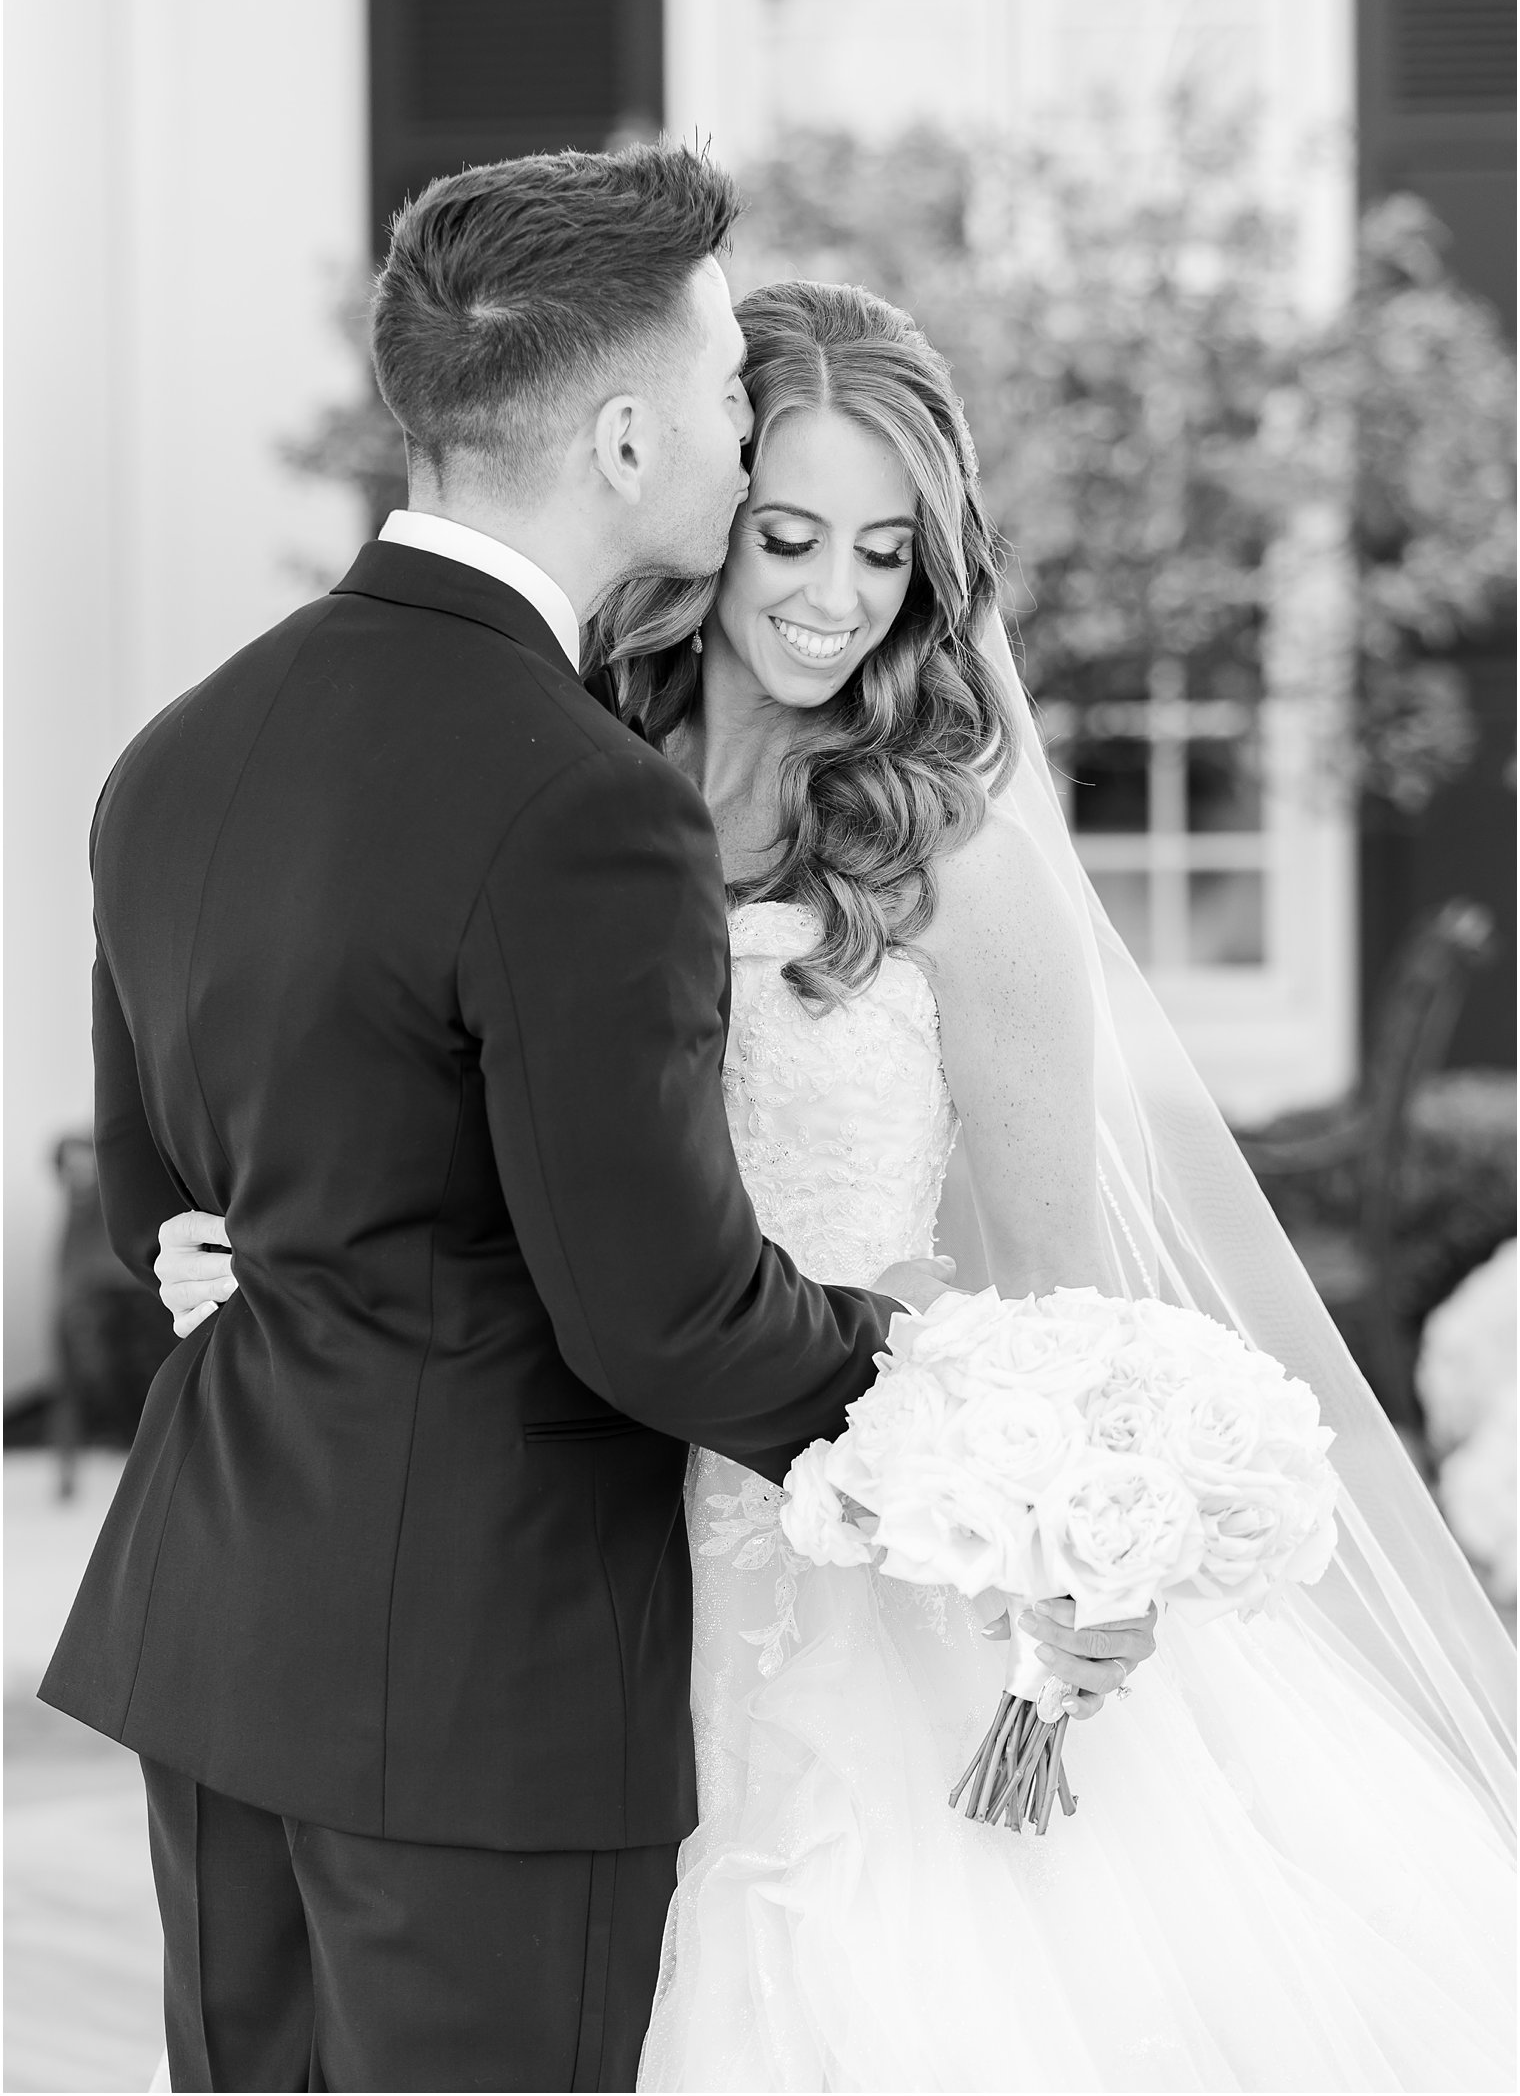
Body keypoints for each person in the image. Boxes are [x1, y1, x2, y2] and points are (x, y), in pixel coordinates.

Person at [160, 275, 1515, 2090]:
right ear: (707, 510)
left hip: (857, 1557)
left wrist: (1057, 1530)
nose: (832, 594)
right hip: (544, 1540)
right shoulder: (544, 788)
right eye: (789, 531)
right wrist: (253, 1249)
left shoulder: (963, 868)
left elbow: (1055, 1285)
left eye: (888, 552)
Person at [41, 153, 1141, 2096]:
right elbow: (655, 1311)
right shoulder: (577, 797)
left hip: (234, 1628)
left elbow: (171, 1181)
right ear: (629, 433)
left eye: (877, 548)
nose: (745, 459)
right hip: (500, 1657)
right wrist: (954, 1396)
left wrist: (233, 1255)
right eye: (731, 405)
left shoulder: (186, 747)